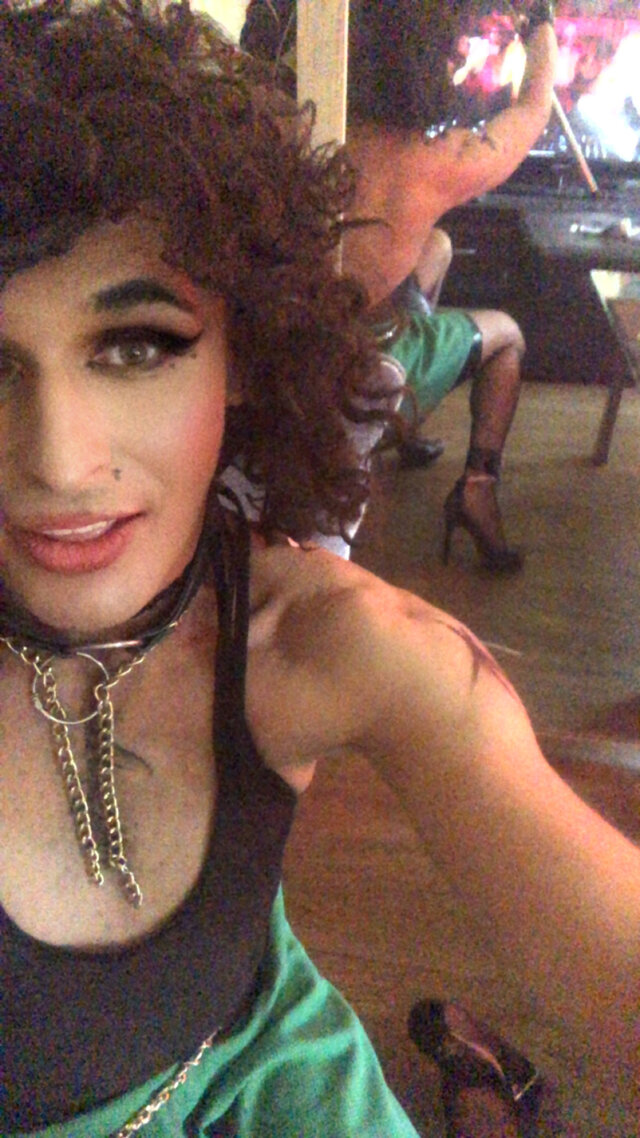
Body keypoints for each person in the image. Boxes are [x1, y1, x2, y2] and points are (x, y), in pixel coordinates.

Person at [1, 4, 639, 1138]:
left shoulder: (318, 644)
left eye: (136, 345)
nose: (58, 460)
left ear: (244, 352)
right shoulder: (452, 156)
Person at [242, 0, 558, 569]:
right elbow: (534, 107)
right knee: (508, 334)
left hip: (264, 346)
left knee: (436, 247)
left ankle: (405, 437)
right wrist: (541, 22)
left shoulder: (274, 129)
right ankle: (477, 491)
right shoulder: (438, 158)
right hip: (350, 367)